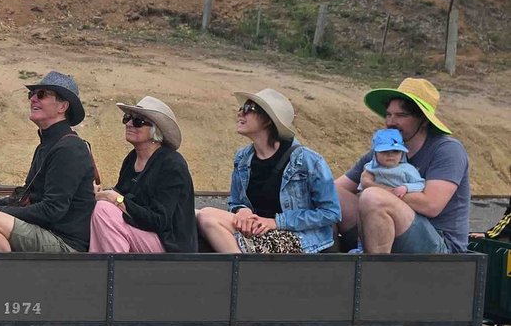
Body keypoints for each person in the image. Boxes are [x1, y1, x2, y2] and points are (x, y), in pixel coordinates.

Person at [0, 71, 96, 253]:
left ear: (62, 106)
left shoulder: (69, 149)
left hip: (64, 241)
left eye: (41, 95)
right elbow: (25, 197)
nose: (33, 99)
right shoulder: (48, 144)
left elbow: (53, 210)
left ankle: (7, 278)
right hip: (45, 231)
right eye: (31, 94)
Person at [334, 78, 470, 254]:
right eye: (389, 114)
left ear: (424, 119)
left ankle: (373, 274)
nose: (391, 122)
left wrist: (372, 186)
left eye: (401, 116)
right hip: (389, 229)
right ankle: (330, 261)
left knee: (373, 197)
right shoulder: (383, 151)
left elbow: (431, 206)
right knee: (331, 194)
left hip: (440, 245)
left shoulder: (447, 150)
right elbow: (335, 189)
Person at [196, 88, 339, 254]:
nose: (240, 113)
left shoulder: (308, 161)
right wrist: (242, 211)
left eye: (249, 109)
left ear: (268, 120)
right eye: (240, 109)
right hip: (257, 232)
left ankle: (241, 274)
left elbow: (330, 213)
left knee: (206, 216)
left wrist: (277, 222)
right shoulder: (242, 158)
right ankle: (241, 270)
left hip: (297, 239)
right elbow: (235, 203)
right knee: (196, 215)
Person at [89, 96, 196, 253]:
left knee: (104, 210)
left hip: (168, 244)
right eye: (127, 118)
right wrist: (101, 193)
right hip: (143, 233)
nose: (129, 124)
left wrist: (115, 200)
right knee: (98, 207)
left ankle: (113, 271)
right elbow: (123, 194)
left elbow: (160, 221)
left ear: (155, 131)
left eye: (138, 121)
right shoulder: (132, 158)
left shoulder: (171, 164)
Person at [357, 128, 424, 195]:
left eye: (396, 151)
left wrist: (406, 187)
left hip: (396, 200)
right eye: (384, 151)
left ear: (402, 153)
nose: (390, 155)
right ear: (375, 153)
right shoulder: (370, 167)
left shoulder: (408, 169)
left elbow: (420, 184)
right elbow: (364, 184)